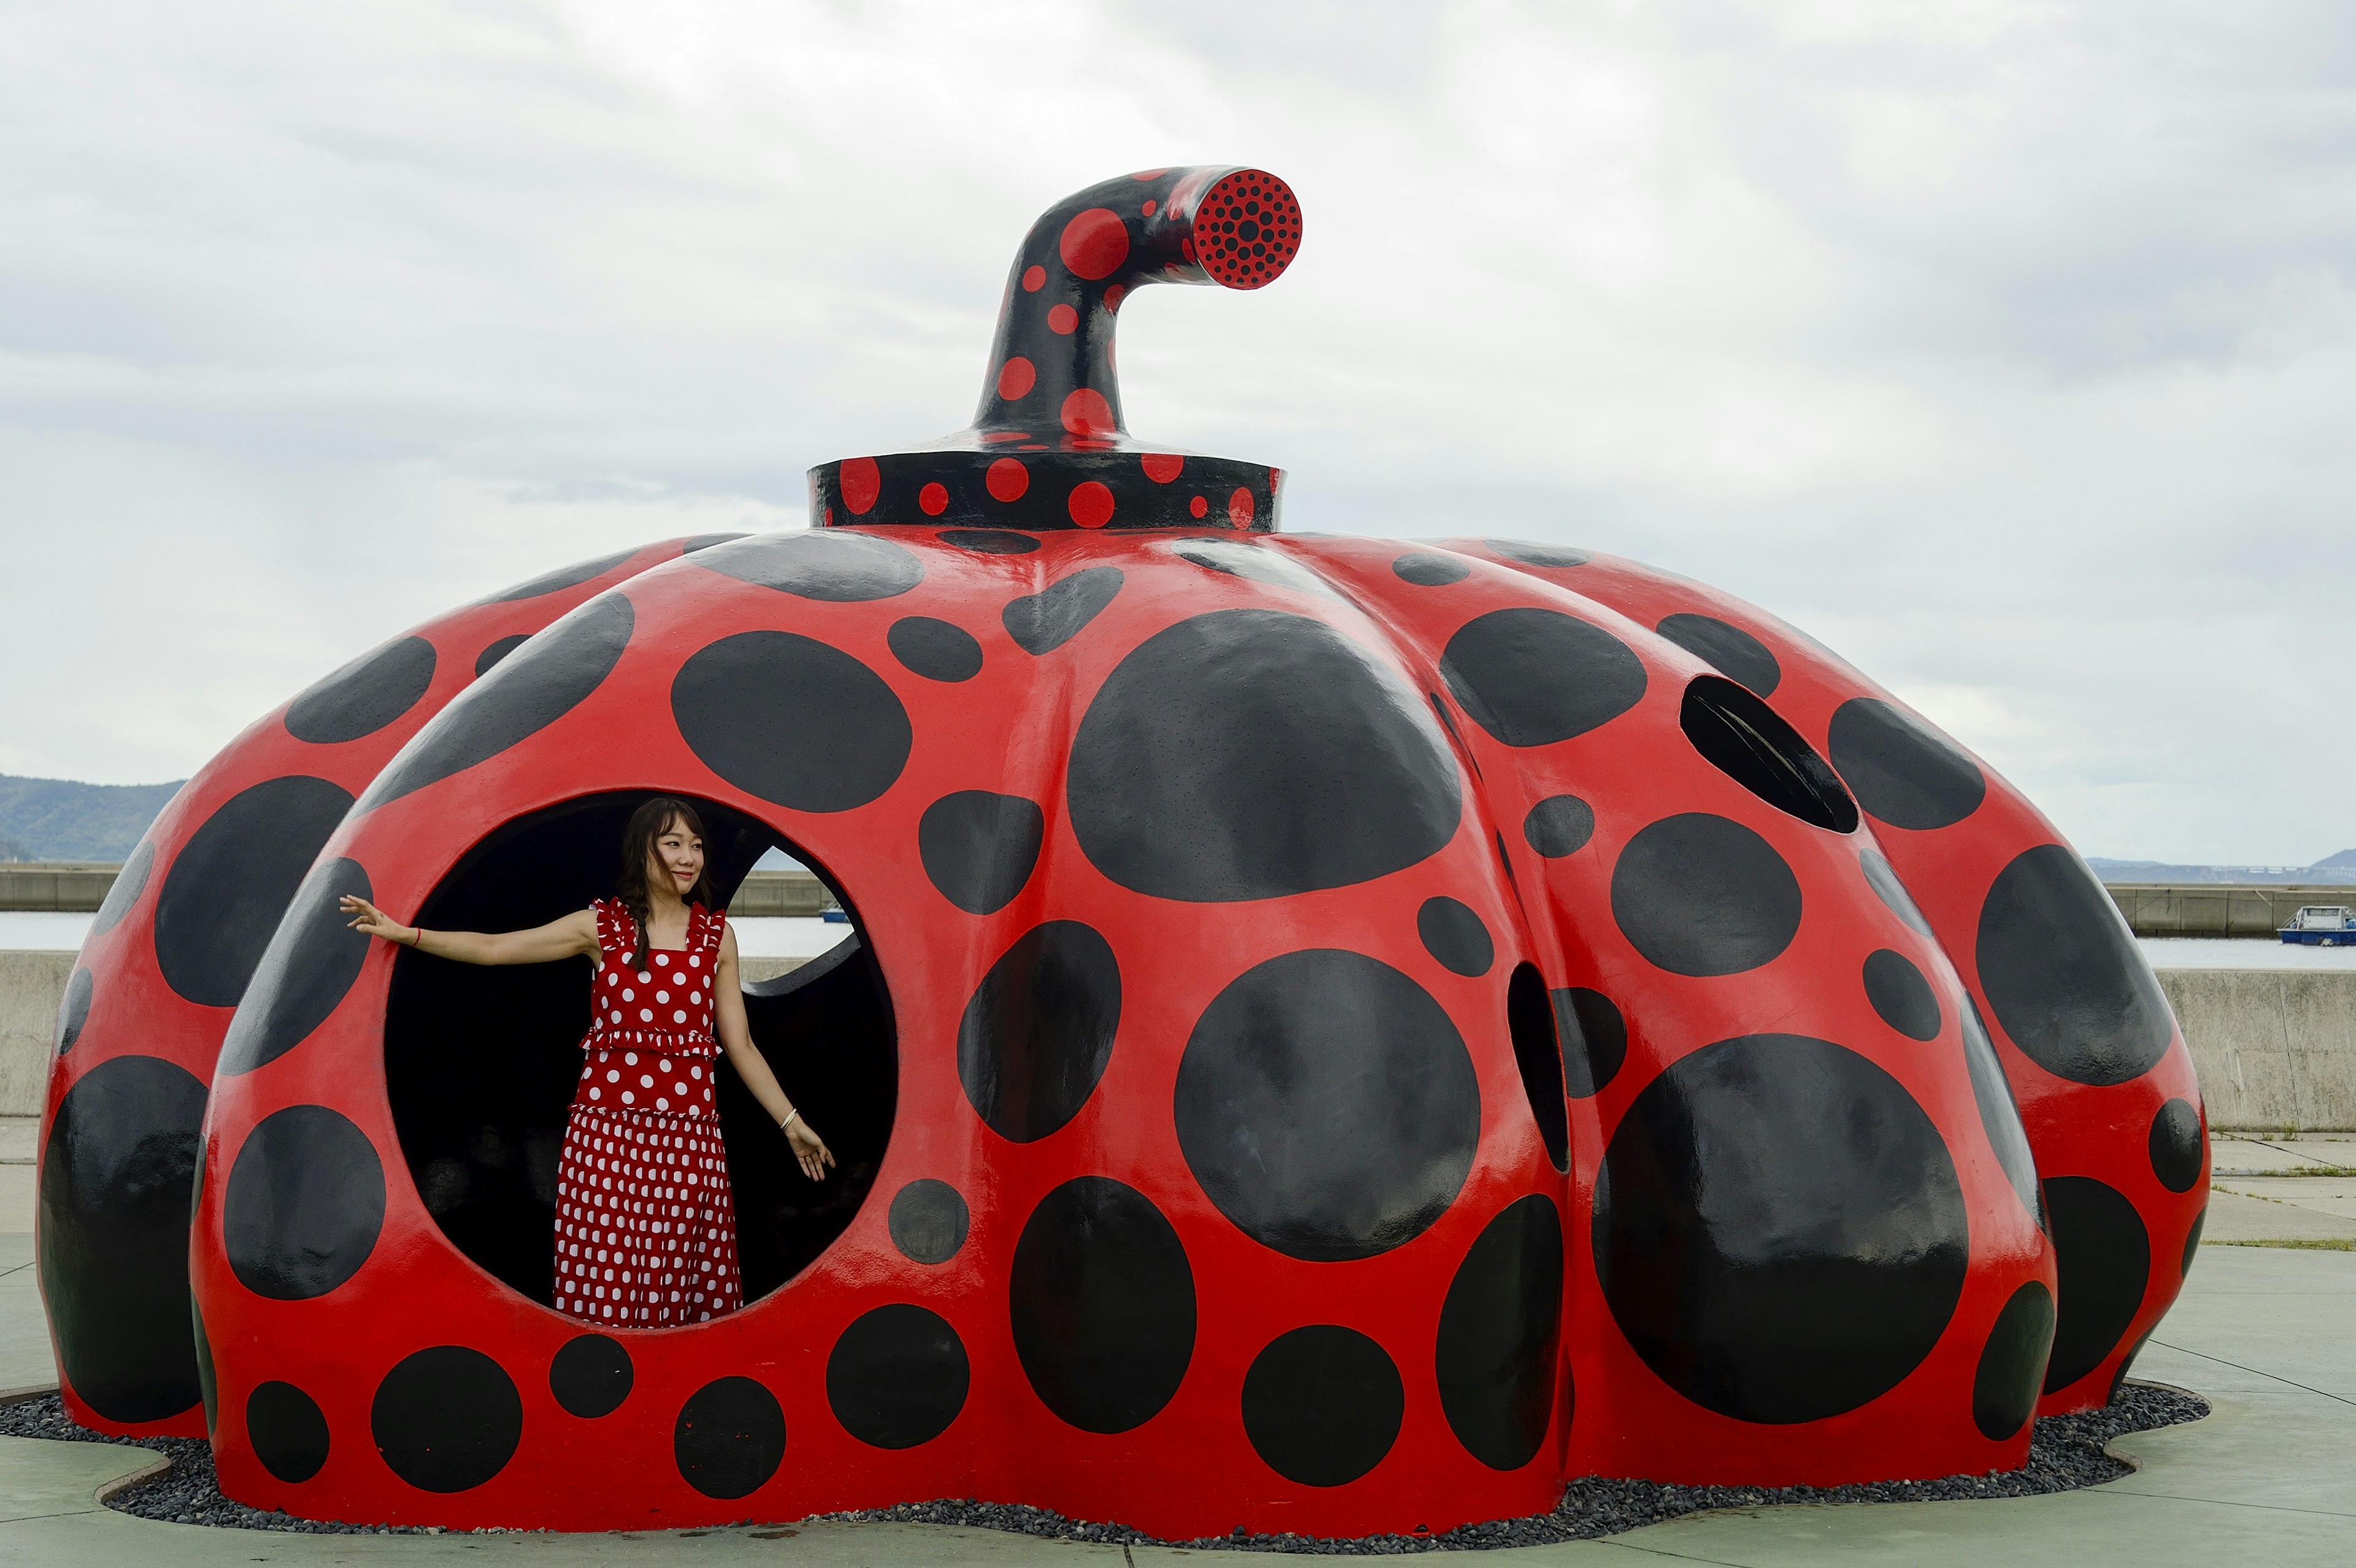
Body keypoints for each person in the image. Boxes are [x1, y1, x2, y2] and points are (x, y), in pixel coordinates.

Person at [339, 797, 834, 1326]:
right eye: (673, 844)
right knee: (605, 1290)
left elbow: (742, 1046)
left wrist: (792, 1123)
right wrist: (405, 933)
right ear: (642, 851)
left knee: (675, 1298)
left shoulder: (717, 937)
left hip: (687, 1147)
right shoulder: (602, 928)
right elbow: (495, 949)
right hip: (605, 1147)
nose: (689, 857)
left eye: (695, 846)